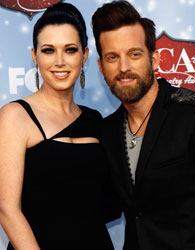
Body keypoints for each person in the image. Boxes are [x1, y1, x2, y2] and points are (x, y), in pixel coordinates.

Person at [0, 2, 120, 250]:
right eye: (48, 50)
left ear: (84, 55)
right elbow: (7, 209)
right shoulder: (15, 116)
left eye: (70, 50)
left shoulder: (95, 121)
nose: (59, 62)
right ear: (34, 55)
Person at [92, 1, 195, 249]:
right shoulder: (106, 131)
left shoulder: (192, 115)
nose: (123, 67)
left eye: (134, 54)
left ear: (154, 60)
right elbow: (104, 207)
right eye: (112, 57)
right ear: (100, 67)